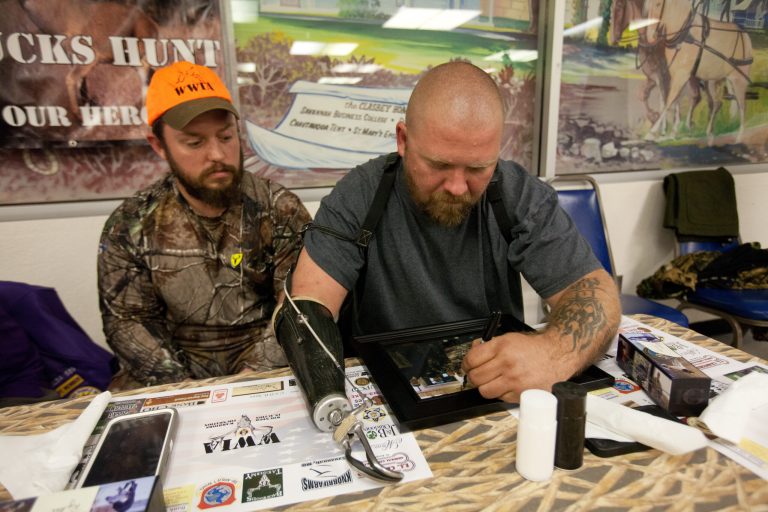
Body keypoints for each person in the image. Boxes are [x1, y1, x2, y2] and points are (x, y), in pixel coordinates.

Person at [286, 61, 621, 403]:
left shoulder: (517, 194)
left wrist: (552, 353)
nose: (458, 187)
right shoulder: (360, 195)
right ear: (403, 140)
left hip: (492, 387)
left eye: (477, 168)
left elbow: (596, 295)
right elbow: (307, 308)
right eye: (439, 165)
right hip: (385, 389)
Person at [98, 61, 311, 390]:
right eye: (194, 143)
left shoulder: (280, 208)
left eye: (226, 136)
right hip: (174, 374)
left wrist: (253, 376)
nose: (217, 155)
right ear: (158, 145)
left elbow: (301, 302)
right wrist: (186, 389)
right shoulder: (131, 223)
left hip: (269, 365)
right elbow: (128, 321)